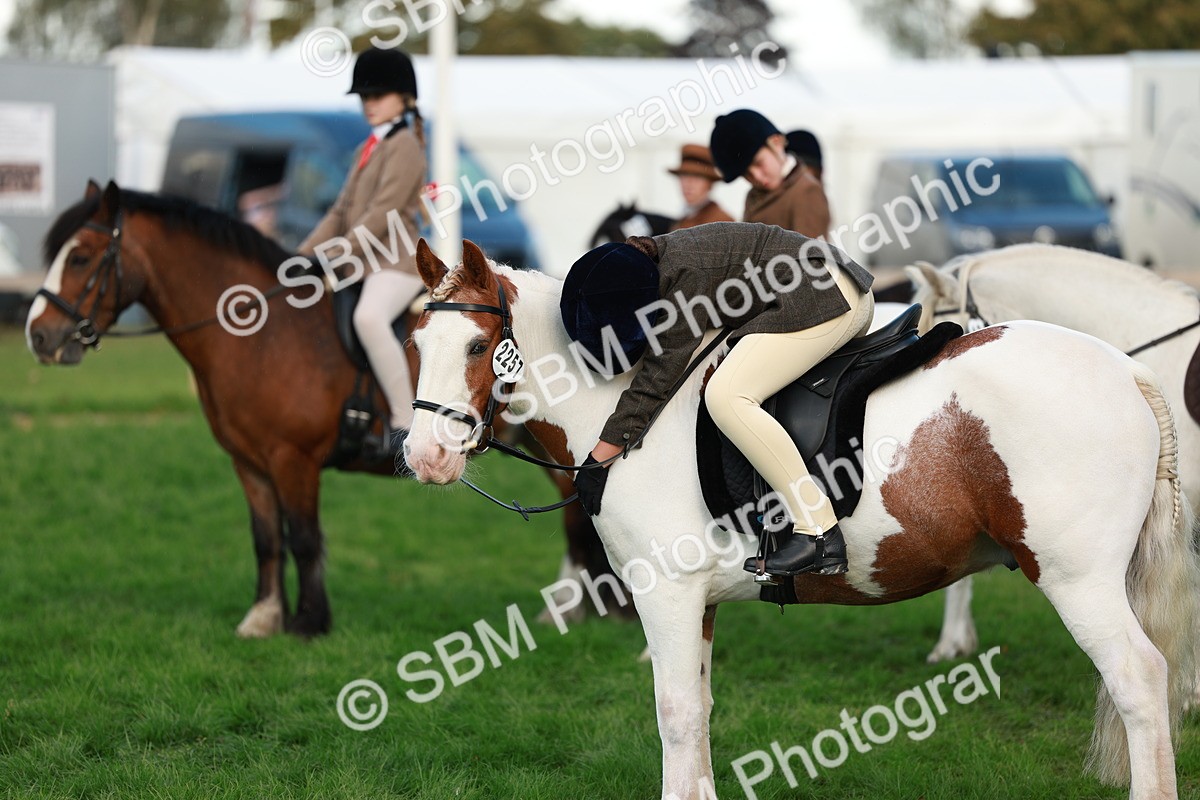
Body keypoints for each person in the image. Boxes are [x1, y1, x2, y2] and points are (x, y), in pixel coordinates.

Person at [563, 222, 875, 578]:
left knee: (726, 396)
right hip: (830, 284)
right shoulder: (660, 258)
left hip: (824, 295)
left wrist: (598, 459)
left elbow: (656, 379)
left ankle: (818, 531)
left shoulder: (683, 279)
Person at [298, 46, 427, 441]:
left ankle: (406, 422)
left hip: (398, 262)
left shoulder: (405, 146)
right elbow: (340, 212)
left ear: (403, 98)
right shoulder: (366, 148)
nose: (369, 104)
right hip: (366, 261)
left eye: (377, 96)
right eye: (364, 97)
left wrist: (332, 256)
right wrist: (301, 256)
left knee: (368, 318)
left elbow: (381, 214)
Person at [709, 109, 830, 239]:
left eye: (758, 163)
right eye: (746, 174)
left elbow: (812, 256)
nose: (757, 177)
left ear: (776, 142)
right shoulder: (754, 195)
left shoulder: (807, 191)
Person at [666, 144, 733, 230]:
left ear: (710, 184)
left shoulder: (721, 223)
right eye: (684, 176)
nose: (688, 184)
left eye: (697, 178)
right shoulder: (684, 217)